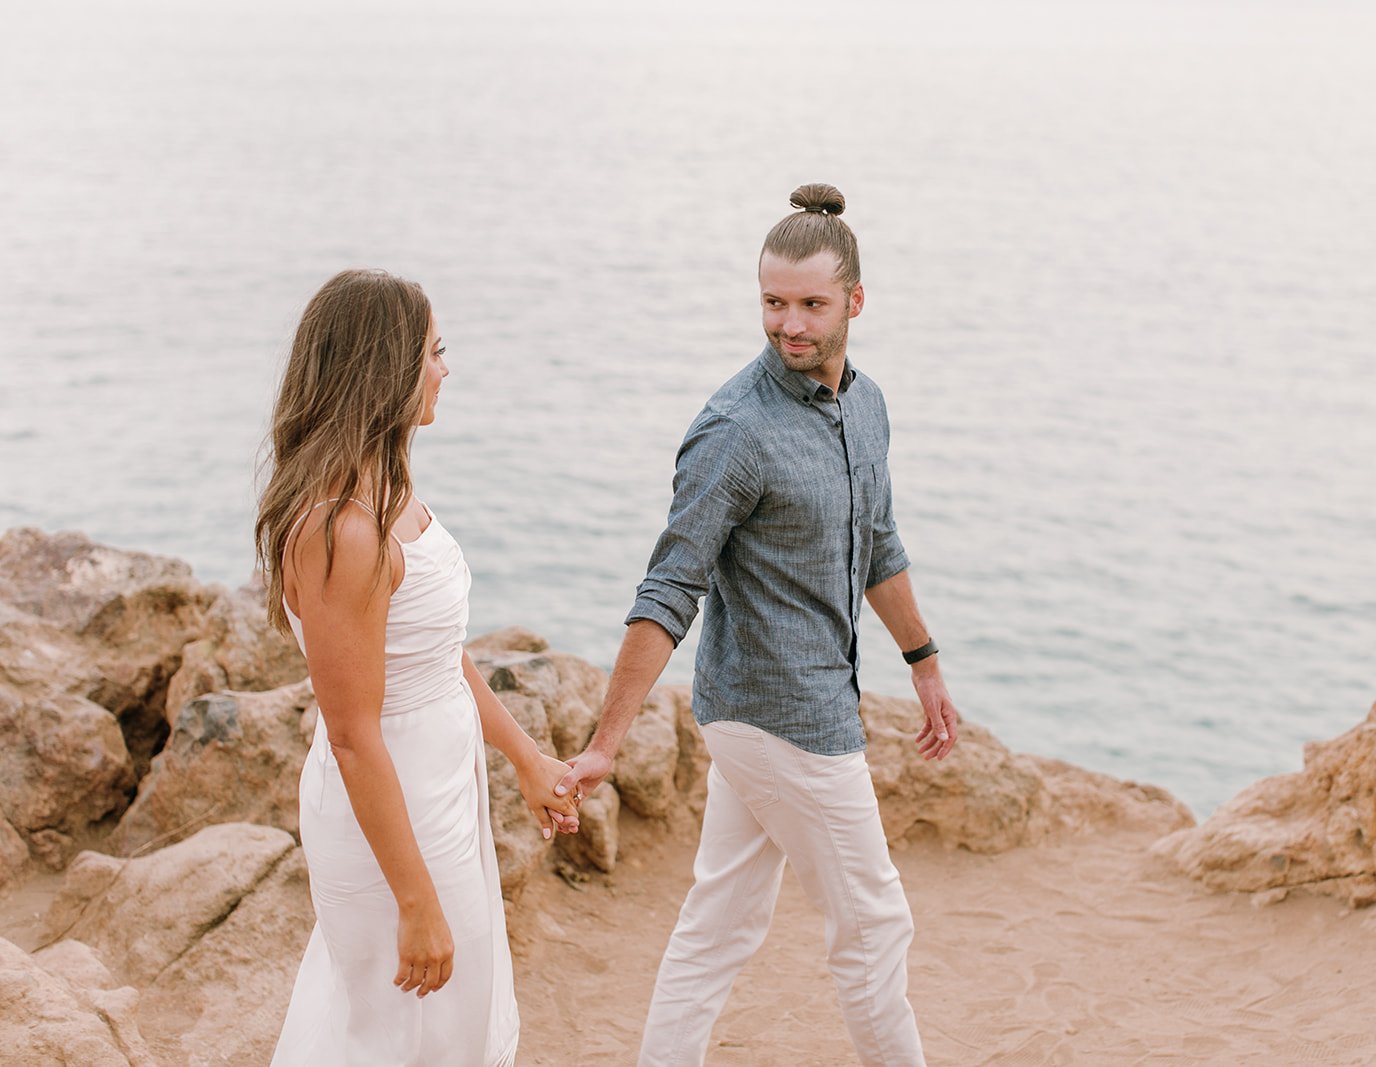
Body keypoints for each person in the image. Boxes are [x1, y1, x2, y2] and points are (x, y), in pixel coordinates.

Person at [558, 184, 960, 1066]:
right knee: (875, 925)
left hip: (767, 713)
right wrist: (604, 743)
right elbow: (670, 586)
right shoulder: (735, 429)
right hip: (787, 720)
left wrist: (924, 662)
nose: (790, 325)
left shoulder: (867, 405)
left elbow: (879, 542)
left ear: (856, 300)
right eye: (774, 303)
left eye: (811, 304)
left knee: (719, 922)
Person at [256, 269, 579, 1066]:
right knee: (394, 1031)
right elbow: (354, 735)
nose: (445, 368)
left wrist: (525, 756)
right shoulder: (342, 528)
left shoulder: (387, 485)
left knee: (443, 1026)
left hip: (439, 787)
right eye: (432, 352)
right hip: (388, 813)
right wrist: (414, 898)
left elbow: (434, 656)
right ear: (384, 369)